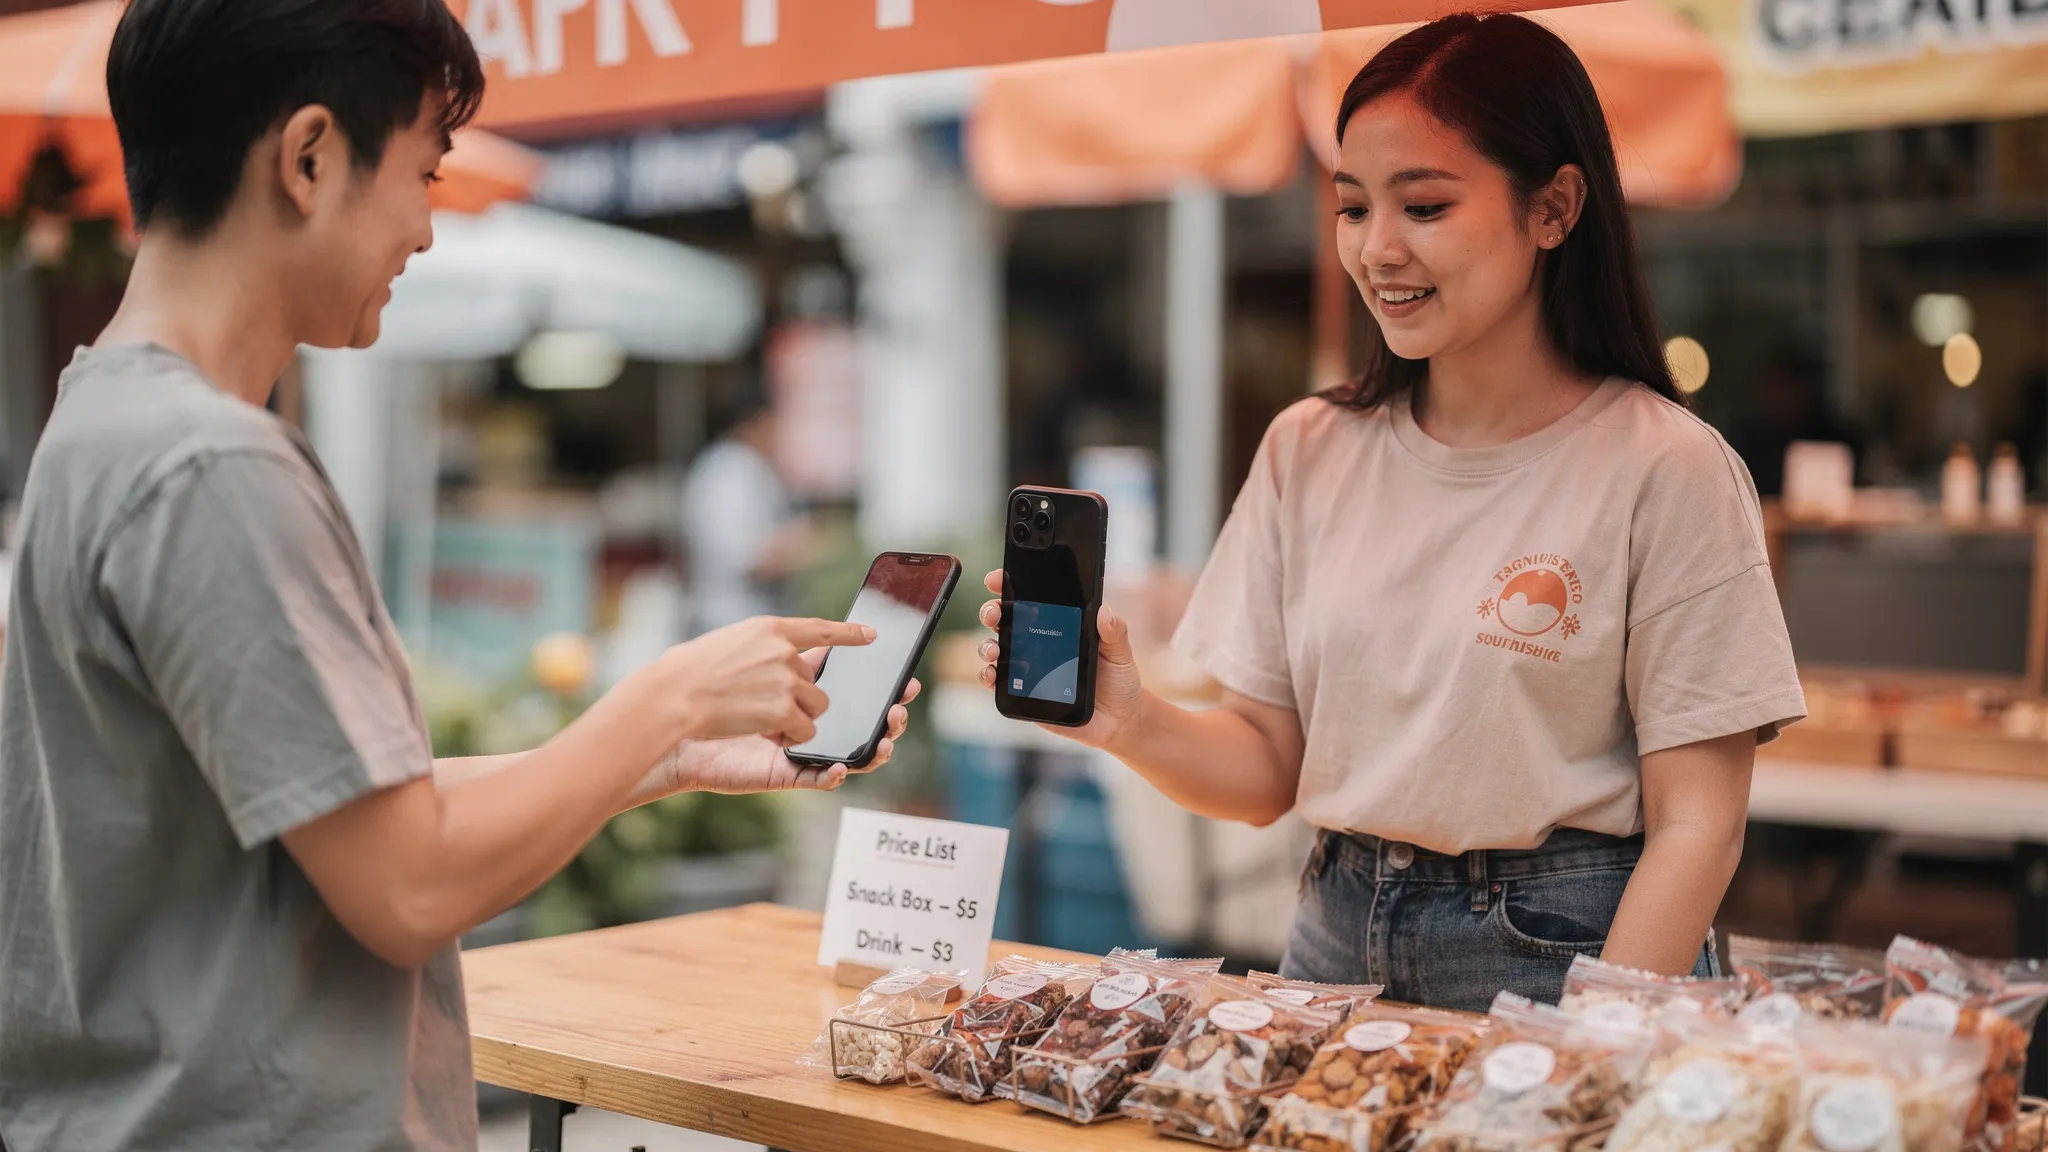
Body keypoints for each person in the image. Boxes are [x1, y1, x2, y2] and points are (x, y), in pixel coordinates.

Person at [0, 2, 915, 1149]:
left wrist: (663, 758)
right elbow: (409, 889)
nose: (427, 232)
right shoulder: (209, 462)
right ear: (310, 156)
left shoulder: (102, 415)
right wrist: (661, 698)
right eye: (427, 172)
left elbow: (353, 816)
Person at [977, 13, 1804, 1010]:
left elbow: (1697, 830)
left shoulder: (1666, 468)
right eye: (1351, 206)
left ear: (1553, 207)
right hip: (1329, 944)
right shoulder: (1307, 447)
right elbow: (1266, 770)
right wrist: (1129, 718)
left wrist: (1588, 1047)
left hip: (1563, 956)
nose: (1375, 249)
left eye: (1423, 205)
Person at [681, 380, 815, 634]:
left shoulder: (748, 468)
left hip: (747, 623)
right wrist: (809, 547)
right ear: (759, 421)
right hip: (730, 624)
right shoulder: (729, 472)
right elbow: (748, 557)